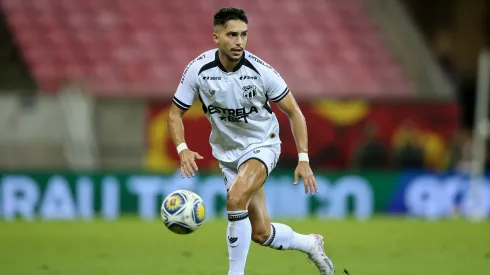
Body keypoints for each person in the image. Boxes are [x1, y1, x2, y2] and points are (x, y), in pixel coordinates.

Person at [167, 7, 334, 275]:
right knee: (261, 233)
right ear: (216, 36)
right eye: (232, 34)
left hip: (262, 145)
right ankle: (310, 244)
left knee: (235, 201)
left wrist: (303, 158)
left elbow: (294, 112)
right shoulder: (198, 70)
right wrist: (182, 148)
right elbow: (175, 113)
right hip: (227, 155)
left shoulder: (261, 71)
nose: (239, 41)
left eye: (244, 34)